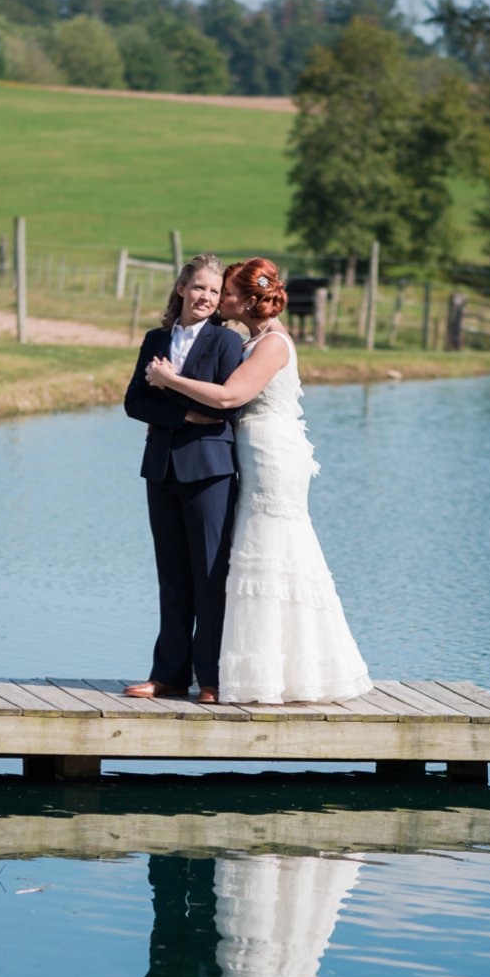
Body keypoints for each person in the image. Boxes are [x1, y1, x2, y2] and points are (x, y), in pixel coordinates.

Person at [145, 257, 371, 704]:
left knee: (274, 554)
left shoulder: (272, 345)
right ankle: (253, 672)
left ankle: (294, 672)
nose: (219, 299)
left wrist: (169, 381)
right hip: (249, 453)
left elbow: (232, 395)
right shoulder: (253, 339)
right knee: (250, 560)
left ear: (249, 300)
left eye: (226, 292)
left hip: (271, 456)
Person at [123, 253, 244, 702]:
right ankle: (168, 676)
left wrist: (168, 385)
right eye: (199, 288)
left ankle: (210, 678)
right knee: (172, 576)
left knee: (210, 577)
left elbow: (222, 408)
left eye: (214, 291)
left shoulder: (225, 343)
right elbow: (134, 402)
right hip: (161, 468)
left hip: (210, 472)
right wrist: (185, 414)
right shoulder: (156, 338)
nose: (206, 298)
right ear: (181, 289)